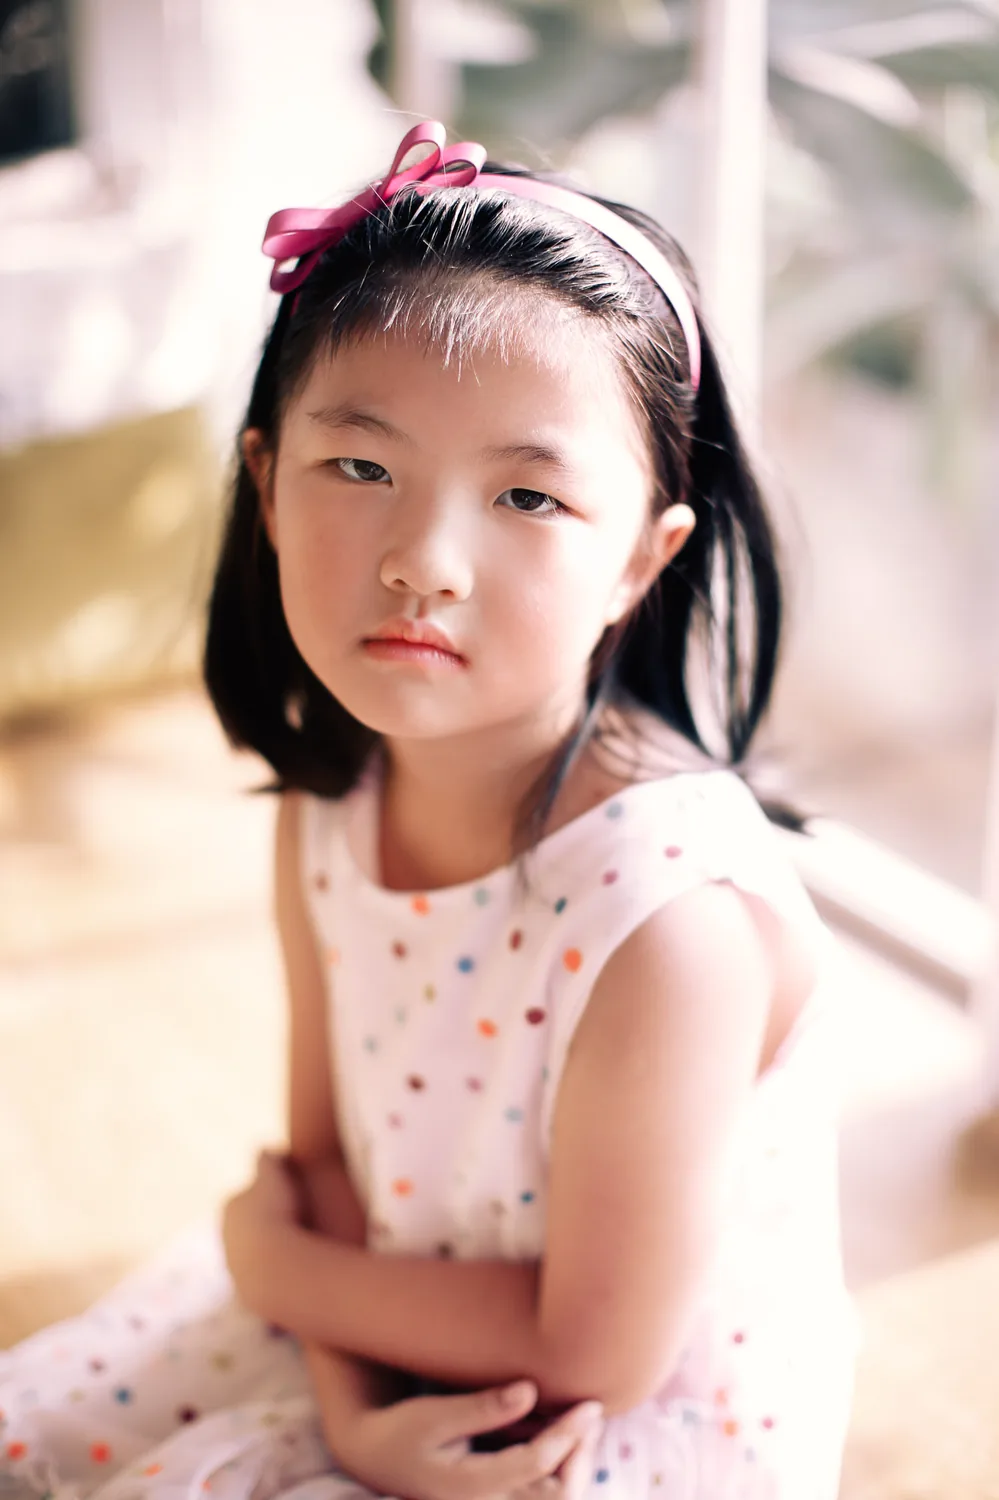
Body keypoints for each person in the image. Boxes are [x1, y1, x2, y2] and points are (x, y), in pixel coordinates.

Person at [0, 120, 860, 1500]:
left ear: (644, 557)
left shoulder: (669, 923)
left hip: (585, 1431)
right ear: (268, 485)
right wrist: (338, 1398)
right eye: (361, 469)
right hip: (370, 1323)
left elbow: (594, 1350)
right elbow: (321, 1167)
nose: (424, 563)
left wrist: (273, 1267)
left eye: (527, 494)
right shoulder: (333, 796)